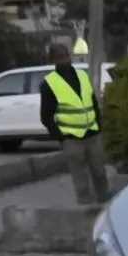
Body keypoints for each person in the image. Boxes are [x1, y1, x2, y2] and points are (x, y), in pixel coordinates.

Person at [40, 41, 110, 205]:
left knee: (100, 172)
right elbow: (46, 116)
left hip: (92, 134)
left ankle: (105, 201)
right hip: (71, 138)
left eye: (66, 56)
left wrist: (98, 125)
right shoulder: (49, 84)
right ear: (53, 60)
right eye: (60, 57)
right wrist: (61, 137)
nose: (64, 60)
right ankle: (86, 206)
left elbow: (93, 103)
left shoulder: (83, 76)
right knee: (80, 176)